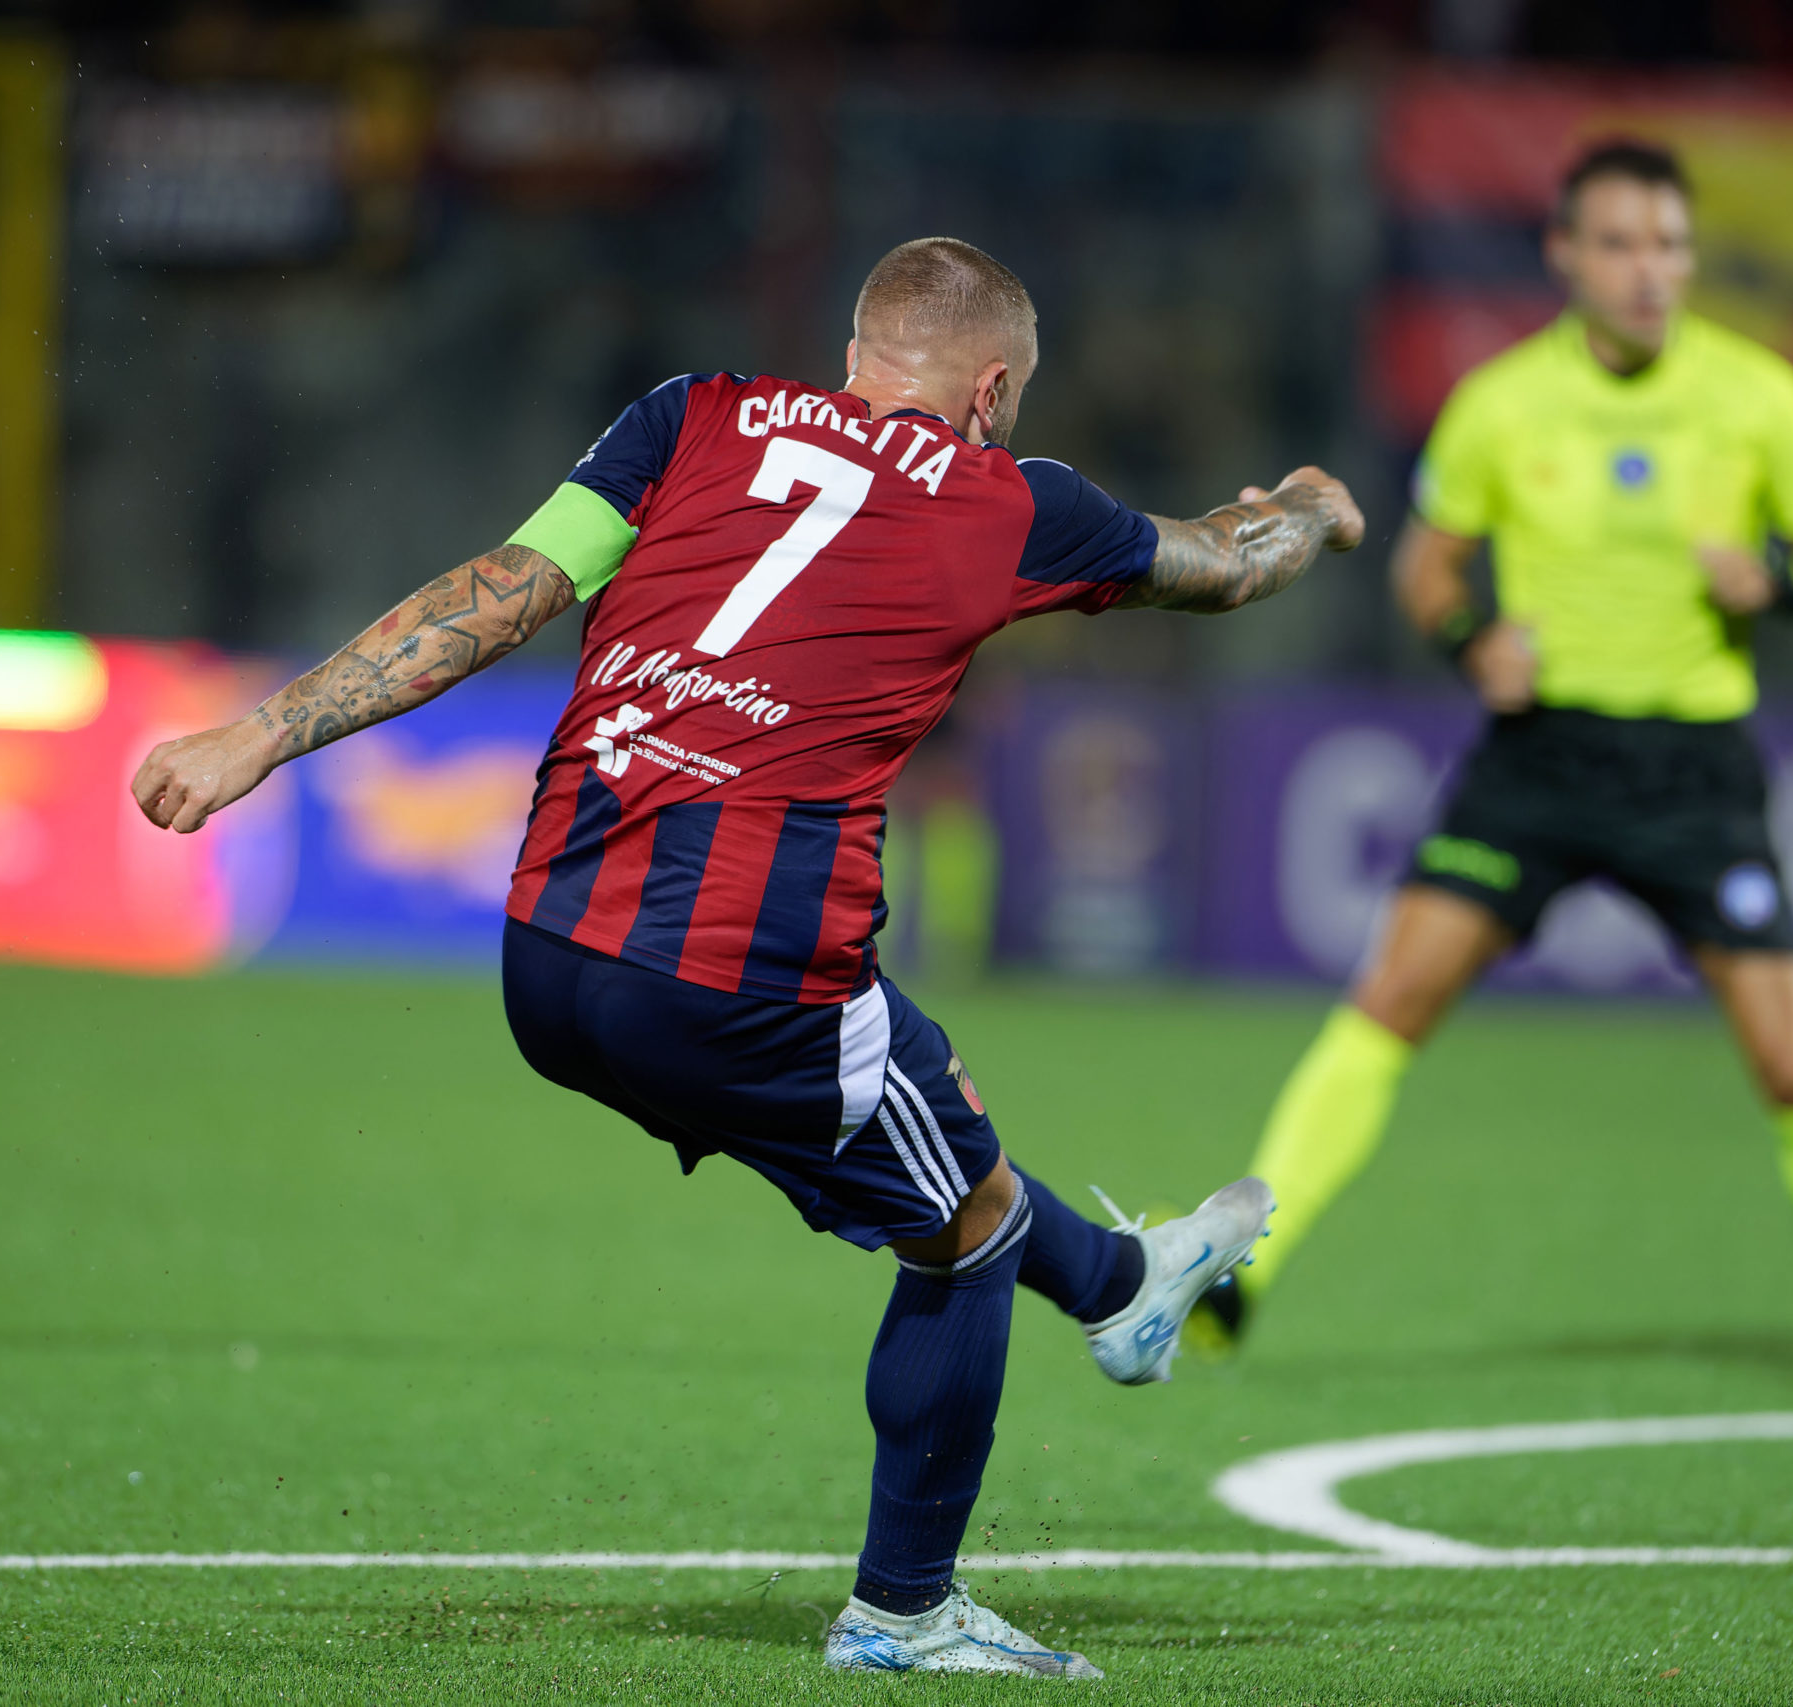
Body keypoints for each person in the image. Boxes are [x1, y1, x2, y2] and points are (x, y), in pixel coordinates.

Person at [133, 237, 1364, 1678]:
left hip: (546, 954)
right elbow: (1223, 564)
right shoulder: (1013, 500)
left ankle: (1123, 1286)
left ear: (855, 354)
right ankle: (906, 1613)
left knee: (945, 1152)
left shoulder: (689, 415)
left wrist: (260, 731)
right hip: (740, 978)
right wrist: (1311, 511)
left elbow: (508, 586)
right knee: (966, 1235)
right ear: (991, 389)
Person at [1194, 140, 1793, 1370]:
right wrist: (1474, 641)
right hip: (1539, 760)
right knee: (1390, 1000)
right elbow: (1425, 572)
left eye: (1669, 245)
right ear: (1565, 256)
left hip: (1692, 772)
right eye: (1620, 244)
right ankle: (1238, 1272)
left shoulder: (1758, 396)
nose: (1649, 271)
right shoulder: (1501, 403)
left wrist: (1776, 582)